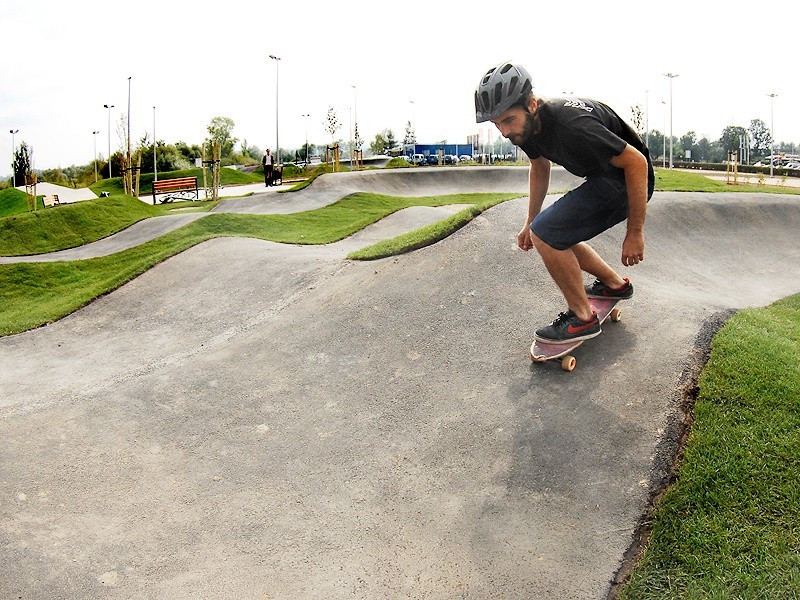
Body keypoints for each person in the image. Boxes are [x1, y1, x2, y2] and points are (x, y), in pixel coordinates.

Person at [474, 61, 654, 344]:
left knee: (548, 233)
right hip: (604, 177)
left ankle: (582, 318)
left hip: (628, 181)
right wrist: (529, 221)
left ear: (531, 104)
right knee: (551, 232)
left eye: (508, 120)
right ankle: (614, 285)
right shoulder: (528, 128)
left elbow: (637, 163)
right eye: (497, 124)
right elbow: (540, 167)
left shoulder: (571, 124)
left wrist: (635, 231)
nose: (504, 132)